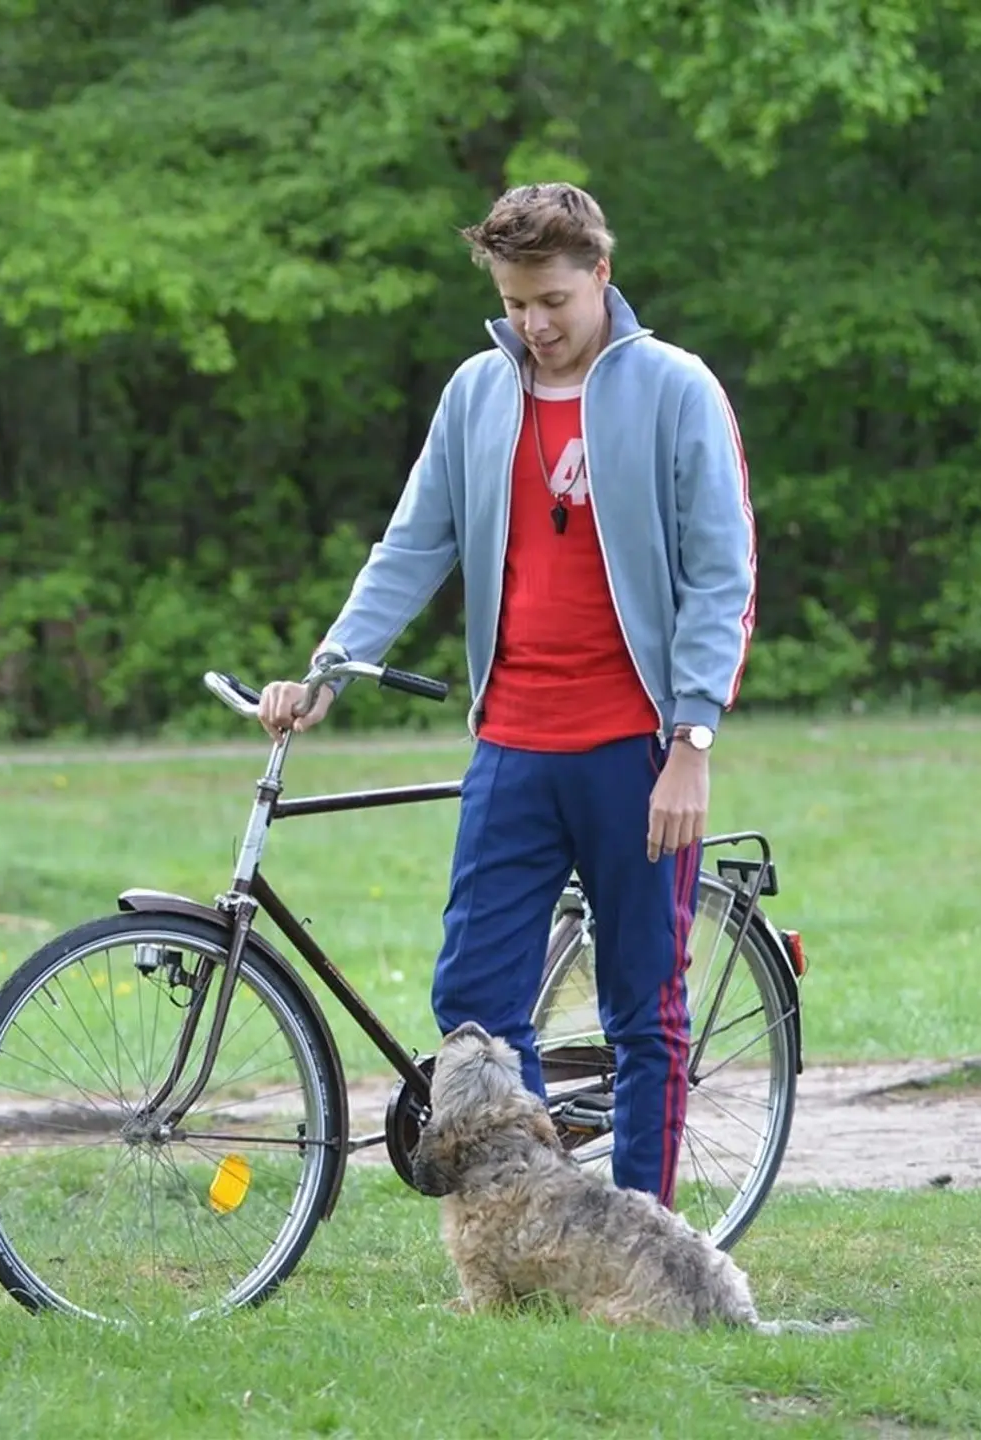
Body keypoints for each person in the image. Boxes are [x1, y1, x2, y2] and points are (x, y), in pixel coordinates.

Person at [257, 183, 756, 1211]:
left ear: (601, 277)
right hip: (512, 748)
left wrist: (692, 744)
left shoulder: (675, 389)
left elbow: (722, 575)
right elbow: (411, 545)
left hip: (636, 750)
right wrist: (328, 669)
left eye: (554, 300)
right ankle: (528, 1233)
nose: (535, 323)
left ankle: (647, 1248)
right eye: (516, 301)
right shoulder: (478, 395)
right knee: (476, 1007)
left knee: (641, 1014)